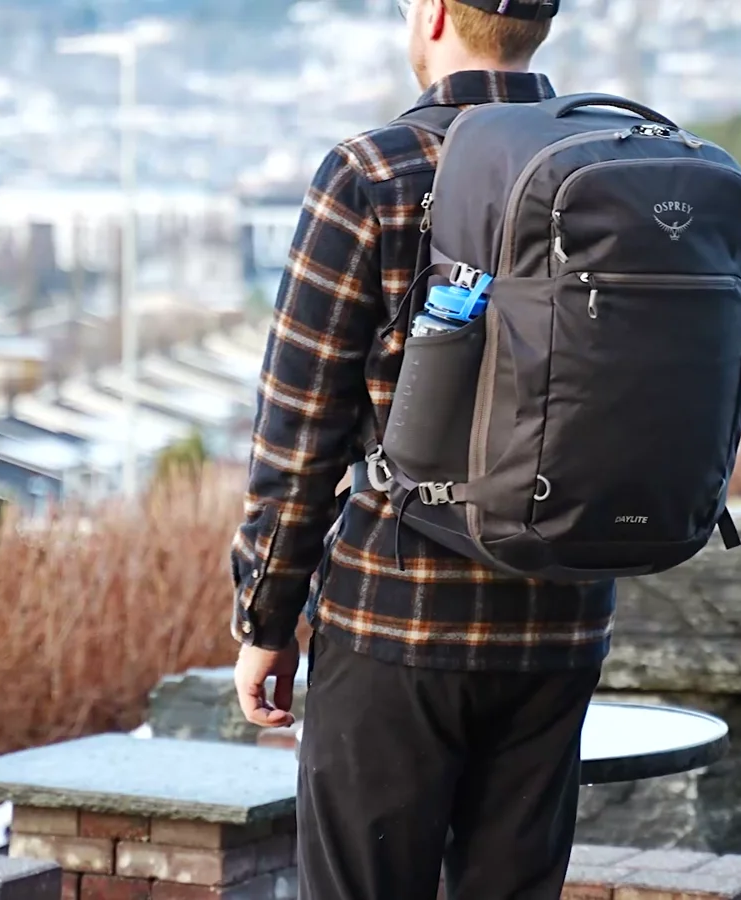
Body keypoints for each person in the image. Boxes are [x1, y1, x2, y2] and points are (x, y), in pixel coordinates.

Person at [227, 1, 609, 899]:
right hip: (563, 616)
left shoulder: (375, 172)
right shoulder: (609, 163)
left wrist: (265, 618)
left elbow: (300, 421)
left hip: (398, 614)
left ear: (434, 12)